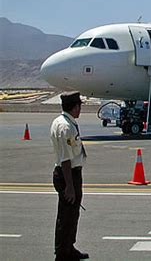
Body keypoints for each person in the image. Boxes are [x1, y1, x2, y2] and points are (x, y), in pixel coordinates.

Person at [50, 92, 89, 261]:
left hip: (70, 174)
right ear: (75, 108)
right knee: (66, 216)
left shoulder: (62, 122)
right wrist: (70, 187)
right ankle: (62, 252)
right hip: (68, 175)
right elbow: (66, 159)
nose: (80, 109)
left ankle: (68, 247)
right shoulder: (66, 127)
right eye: (79, 106)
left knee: (72, 215)